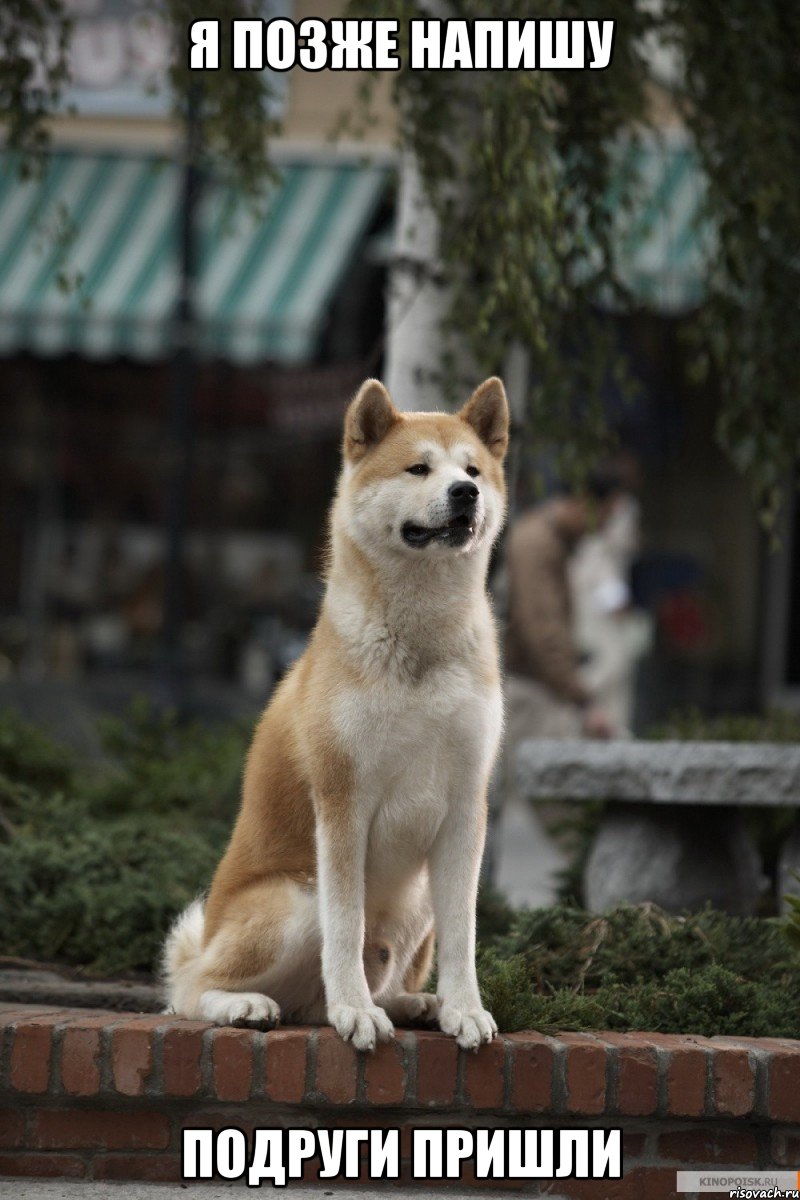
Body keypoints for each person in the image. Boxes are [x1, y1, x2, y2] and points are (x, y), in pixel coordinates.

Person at [503, 470, 627, 743]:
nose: (605, 527)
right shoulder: (538, 544)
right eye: (606, 515)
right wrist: (583, 701)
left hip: (537, 687)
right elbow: (542, 630)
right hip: (527, 691)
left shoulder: (551, 541)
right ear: (586, 502)